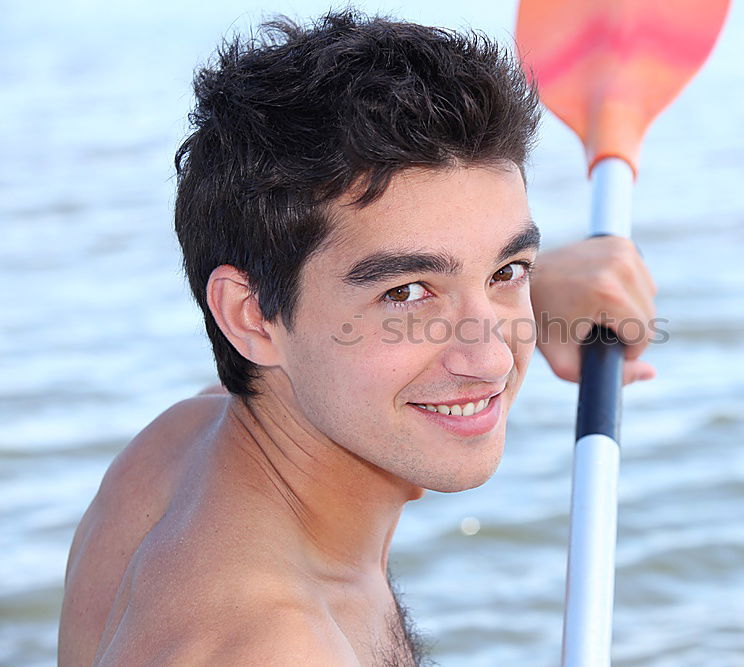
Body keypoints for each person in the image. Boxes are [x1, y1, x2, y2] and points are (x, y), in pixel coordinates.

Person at [58, 11, 657, 666]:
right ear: (251, 317)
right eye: (404, 292)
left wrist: (529, 289)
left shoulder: (176, 453)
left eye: (505, 270)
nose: (489, 356)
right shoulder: (275, 646)